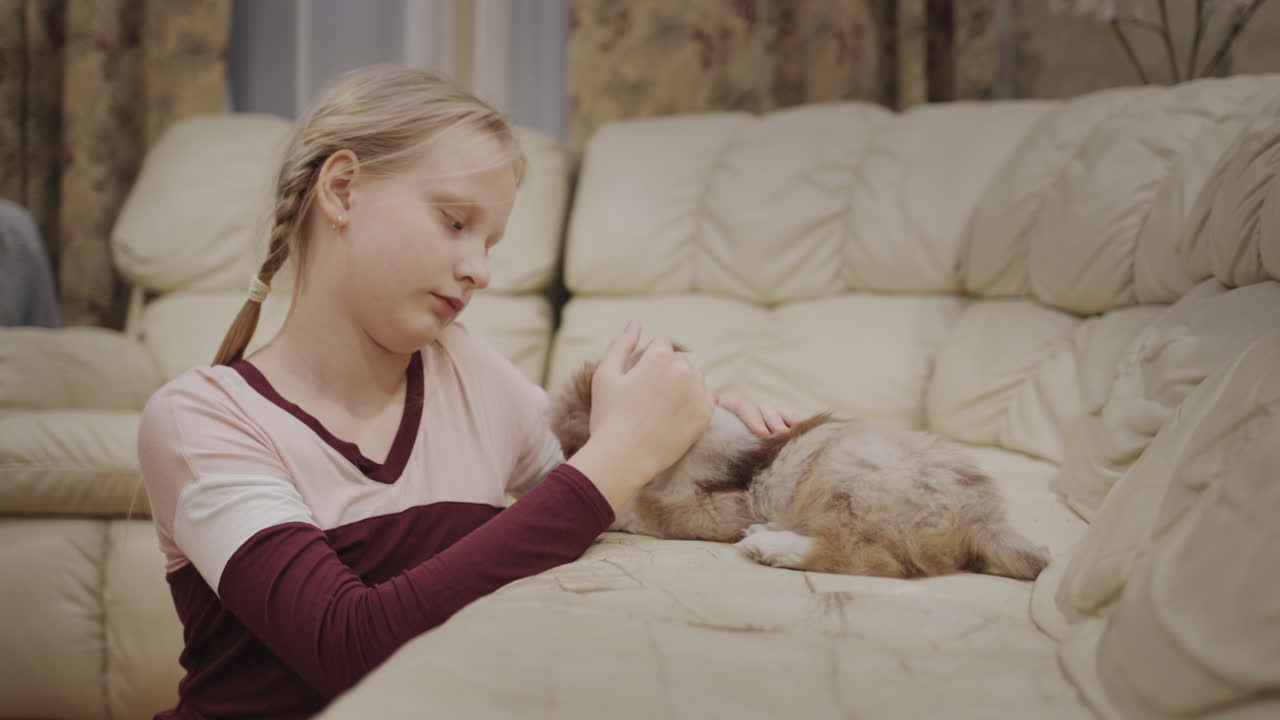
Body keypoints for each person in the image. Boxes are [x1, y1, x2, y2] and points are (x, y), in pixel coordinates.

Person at [137, 64, 797, 719]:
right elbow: (347, 646)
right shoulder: (201, 419)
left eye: (492, 242)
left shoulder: (470, 373)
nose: (479, 269)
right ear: (341, 190)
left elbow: (598, 509)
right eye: (456, 223)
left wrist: (704, 445)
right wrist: (620, 452)